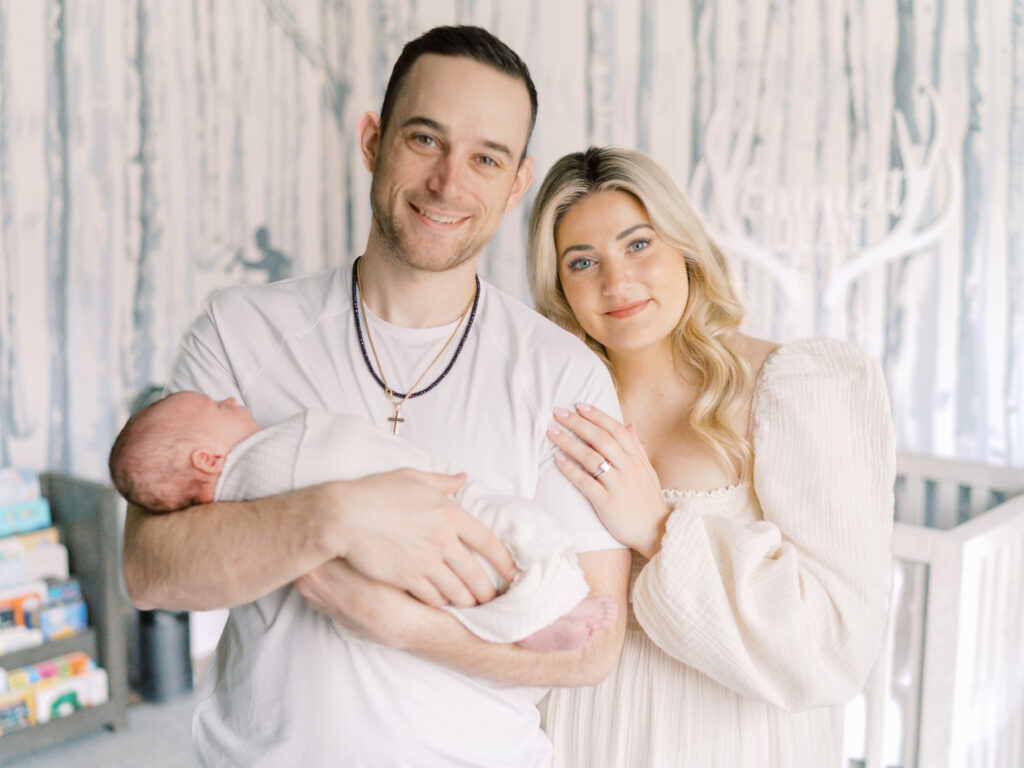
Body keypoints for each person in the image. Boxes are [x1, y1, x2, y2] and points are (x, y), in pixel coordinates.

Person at [121, 26, 630, 767]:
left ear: (516, 183)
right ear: (373, 139)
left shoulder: (564, 375)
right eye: (425, 140)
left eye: (485, 158)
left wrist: (402, 626)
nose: (449, 183)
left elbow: (594, 646)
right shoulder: (240, 329)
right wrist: (337, 516)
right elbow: (149, 571)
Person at [526, 146, 896, 767]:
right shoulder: (553, 405)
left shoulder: (795, 385)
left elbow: (837, 644)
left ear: (684, 246)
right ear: (559, 284)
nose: (616, 283)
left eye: (638, 244)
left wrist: (658, 529)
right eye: (583, 261)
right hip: (572, 736)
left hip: (731, 741)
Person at [109, 390, 617, 651]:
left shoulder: (243, 490)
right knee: (513, 531)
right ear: (206, 461)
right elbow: (145, 576)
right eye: (219, 407)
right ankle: (542, 612)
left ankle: (538, 612)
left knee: (485, 557)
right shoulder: (264, 461)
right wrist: (343, 512)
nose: (234, 400)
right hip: (436, 505)